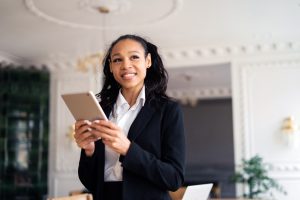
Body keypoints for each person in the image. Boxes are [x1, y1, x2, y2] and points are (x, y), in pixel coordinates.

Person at [74, 34, 185, 200]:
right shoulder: (101, 111)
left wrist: (128, 149)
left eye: (134, 57)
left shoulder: (168, 110)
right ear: (111, 67)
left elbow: (174, 178)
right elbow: (89, 181)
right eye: (117, 60)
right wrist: (89, 151)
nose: (126, 65)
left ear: (147, 61)